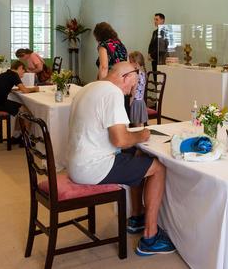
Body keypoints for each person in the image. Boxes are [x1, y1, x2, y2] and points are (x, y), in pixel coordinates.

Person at [67, 62, 176, 256]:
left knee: (139, 155)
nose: (130, 92)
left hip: (78, 162)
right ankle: (150, 236)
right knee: (158, 167)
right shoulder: (113, 93)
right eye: (132, 85)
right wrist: (142, 135)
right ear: (125, 77)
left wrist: (135, 141)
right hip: (94, 167)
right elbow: (120, 140)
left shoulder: (90, 87)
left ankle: (136, 217)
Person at [0, 61, 39, 143]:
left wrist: (15, 89)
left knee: (20, 112)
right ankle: (26, 139)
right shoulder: (14, 75)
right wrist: (35, 89)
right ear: (19, 68)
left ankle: (16, 136)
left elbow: (4, 87)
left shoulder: (7, 74)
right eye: (23, 70)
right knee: (27, 112)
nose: (24, 72)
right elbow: (25, 90)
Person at [128, 51, 149, 127]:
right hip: (140, 102)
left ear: (136, 64)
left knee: (135, 126)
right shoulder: (143, 73)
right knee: (138, 125)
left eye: (130, 62)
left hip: (134, 103)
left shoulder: (136, 75)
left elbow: (133, 93)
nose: (128, 64)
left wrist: (128, 104)